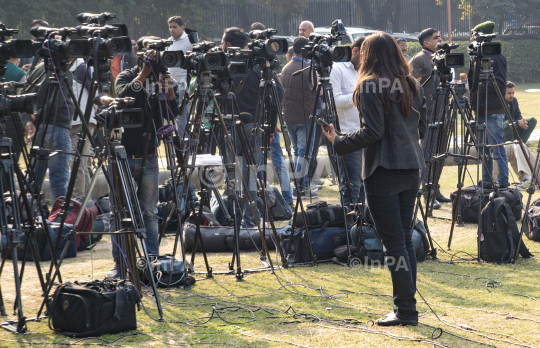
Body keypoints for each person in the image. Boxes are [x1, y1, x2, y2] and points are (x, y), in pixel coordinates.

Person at [322, 32, 426, 327]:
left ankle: (405, 310)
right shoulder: (412, 83)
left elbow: (374, 132)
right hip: (410, 168)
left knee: (394, 244)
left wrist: (339, 141)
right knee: (403, 240)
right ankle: (407, 307)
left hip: (383, 170)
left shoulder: (369, 85)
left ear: (369, 55)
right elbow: (423, 125)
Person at [107, 36, 179, 277]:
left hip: (149, 155)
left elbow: (173, 111)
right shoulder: (128, 75)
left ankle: (152, 262)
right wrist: (144, 75)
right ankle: (121, 264)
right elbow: (123, 95)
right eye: (149, 54)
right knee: (122, 211)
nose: (153, 58)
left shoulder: (161, 77)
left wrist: (168, 88)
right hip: (124, 154)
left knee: (150, 213)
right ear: (138, 56)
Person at [222, 27, 284, 226]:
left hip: (231, 125)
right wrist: (270, 123)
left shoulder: (223, 65)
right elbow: (278, 93)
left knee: (234, 173)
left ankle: (240, 218)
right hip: (254, 127)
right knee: (249, 174)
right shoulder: (258, 65)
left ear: (228, 45)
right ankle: (248, 220)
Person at [410, 28, 449, 208]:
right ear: (426, 43)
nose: (440, 40)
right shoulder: (418, 60)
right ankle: (426, 194)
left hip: (443, 113)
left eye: (440, 37)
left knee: (440, 155)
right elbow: (411, 90)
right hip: (428, 117)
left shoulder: (442, 58)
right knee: (427, 156)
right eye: (436, 38)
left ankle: (435, 189)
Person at [28, 60, 74, 203]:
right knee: (58, 180)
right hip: (58, 129)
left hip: (39, 129)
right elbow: (57, 101)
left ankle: (27, 213)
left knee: (34, 178)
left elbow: (22, 96)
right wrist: (37, 116)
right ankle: (58, 221)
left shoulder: (37, 69)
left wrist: (28, 120)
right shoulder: (63, 70)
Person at [470, 21, 509, 189]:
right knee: (484, 149)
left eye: (474, 34)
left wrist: (477, 88)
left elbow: (499, 84)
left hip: (492, 110)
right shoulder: (478, 55)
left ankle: (503, 182)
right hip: (480, 108)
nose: (471, 38)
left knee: (496, 148)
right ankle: (487, 180)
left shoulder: (497, 57)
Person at [329, 36, 365, 207]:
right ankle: (349, 228)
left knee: (366, 186)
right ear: (355, 51)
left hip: (368, 134)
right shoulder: (337, 69)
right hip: (348, 136)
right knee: (352, 188)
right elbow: (333, 103)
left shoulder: (365, 70)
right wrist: (361, 94)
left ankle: (365, 228)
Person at [281, 36, 318, 199]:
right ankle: (300, 187)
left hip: (289, 116)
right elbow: (318, 90)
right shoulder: (308, 69)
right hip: (306, 117)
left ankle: (298, 185)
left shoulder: (286, 68)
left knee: (297, 152)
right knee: (304, 153)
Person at [68, 59, 97, 198]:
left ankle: (77, 201)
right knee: (81, 163)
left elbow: (95, 95)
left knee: (77, 163)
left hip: (82, 121)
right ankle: (85, 203)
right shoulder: (67, 67)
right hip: (71, 123)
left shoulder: (81, 68)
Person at [166, 16, 192, 136]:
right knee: (177, 115)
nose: (172, 29)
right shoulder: (168, 41)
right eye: (170, 27)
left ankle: (182, 144)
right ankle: (185, 143)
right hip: (169, 83)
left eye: (175, 27)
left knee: (180, 115)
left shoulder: (189, 41)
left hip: (183, 82)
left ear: (182, 27)